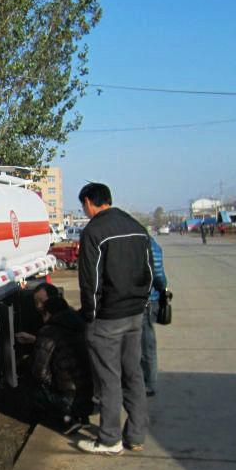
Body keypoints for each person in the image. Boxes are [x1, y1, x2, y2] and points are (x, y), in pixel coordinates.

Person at [75, 183, 153, 455]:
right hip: (135, 315)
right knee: (133, 374)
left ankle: (109, 439)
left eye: (83, 206)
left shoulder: (94, 232)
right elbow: (150, 273)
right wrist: (141, 303)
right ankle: (136, 435)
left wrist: (90, 316)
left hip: (107, 318)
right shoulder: (137, 228)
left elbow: (90, 282)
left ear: (88, 202)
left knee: (109, 380)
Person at [25, 295, 93, 434]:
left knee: (33, 386)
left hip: (67, 397)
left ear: (48, 314)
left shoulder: (49, 332)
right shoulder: (80, 324)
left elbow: (39, 372)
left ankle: (67, 419)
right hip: (89, 393)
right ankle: (83, 418)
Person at [142, 237, 168, 396]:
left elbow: (158, 273)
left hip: (147, 300)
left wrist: (161, 289)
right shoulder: (148, 242)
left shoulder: (148, 244)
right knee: (142, 344)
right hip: (145, 299)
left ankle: (149, 383)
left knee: (146, 343)